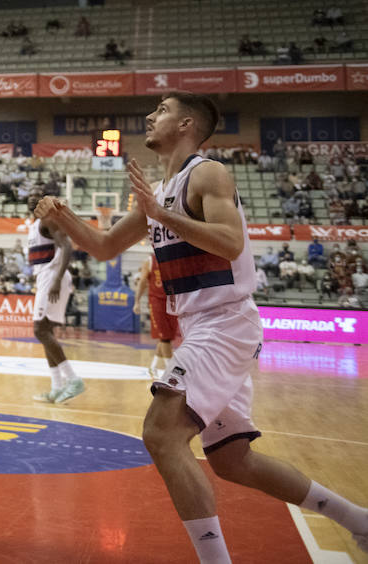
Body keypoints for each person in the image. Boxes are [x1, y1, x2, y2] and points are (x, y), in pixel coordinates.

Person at [36, 92, 368, 562]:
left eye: (162, 110)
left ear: (186, 123)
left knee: (161, 434)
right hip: (202, 327)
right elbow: (106, 246)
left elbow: (231, 243)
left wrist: (162, 215)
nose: (150, 116)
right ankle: (359, 521)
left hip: (224, 322)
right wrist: (63, 216)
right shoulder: (160, 191)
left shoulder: (207, 173)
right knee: (233, 460)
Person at [25, 194, 84, 404]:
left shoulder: (47, 221)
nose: (32, 199)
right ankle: (56, 387)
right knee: (45, 332)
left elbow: (67, 247)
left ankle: (73, 379)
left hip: (53, 277)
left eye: (37, 196)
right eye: (30, 196)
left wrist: (57, 280)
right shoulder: (34, 226)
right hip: (46, 277)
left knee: (40, 330)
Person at [135, 252, 180, 379]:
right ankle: (170, 372)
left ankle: (153, 367)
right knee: (165, 338)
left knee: (167, 337)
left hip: (172, 302)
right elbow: (142, 281)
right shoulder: (150, 260)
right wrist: (137, 301)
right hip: (157, 303)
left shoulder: (175, 258)